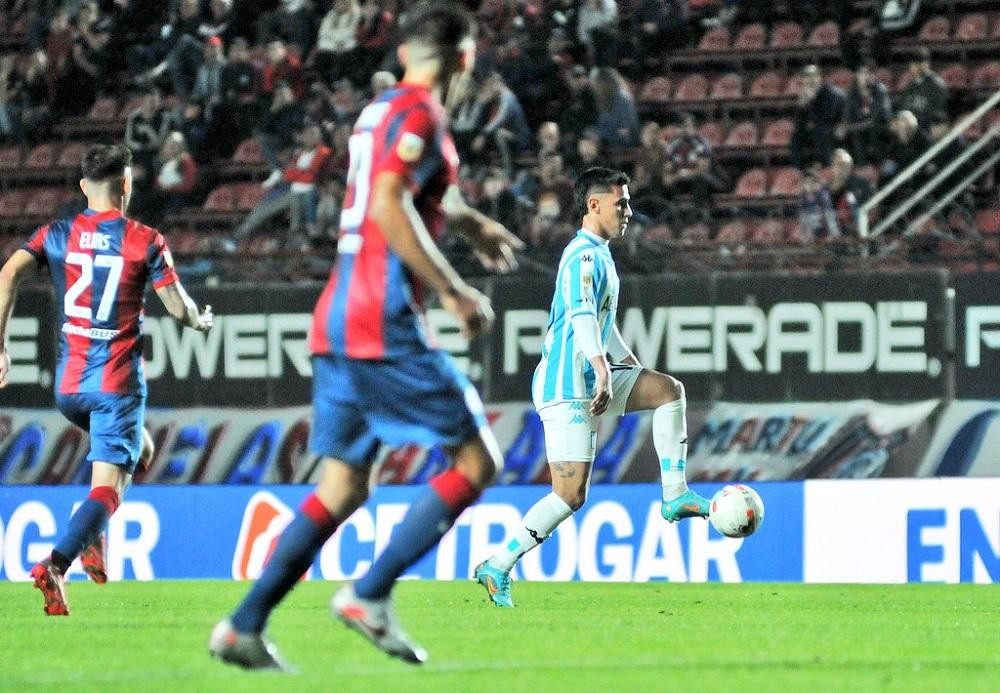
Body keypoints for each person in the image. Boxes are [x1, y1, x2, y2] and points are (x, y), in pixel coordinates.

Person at [210, 3, 524, 670]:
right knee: (477, 461)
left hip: (336, 316)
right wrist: (454, 290)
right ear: (465, 59)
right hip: (380, 321)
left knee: (343, 488)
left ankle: (242, 625)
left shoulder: (380, 110)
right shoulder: (422, 115)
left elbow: (412, 195)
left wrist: (470, 226)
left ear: (404, 53)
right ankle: (370, 593)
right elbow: (388, 203)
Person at [473, 167, 710, 608]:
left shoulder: (600, 255)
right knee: (569, 495)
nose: (629, 212)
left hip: (594, 375)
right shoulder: (582, 257)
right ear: (594, 205)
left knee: (667, 391)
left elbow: (602, 322)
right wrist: (604, 371)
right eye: (621, 204)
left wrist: (625, 364)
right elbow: (581, 315)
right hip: (568, 385)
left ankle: (675, 494)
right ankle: (497, 565)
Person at [0, 144, 212, 616]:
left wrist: (0, 345)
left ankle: (92, 536)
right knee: (110, 489)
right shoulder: (145, 239)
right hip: (115, 384)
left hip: (69, 388)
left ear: (82, 187)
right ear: (127, 185)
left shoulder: (57, 232)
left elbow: (9, 272)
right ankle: (56, 563)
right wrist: (200, 320)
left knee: (144, 449)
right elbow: (178, 309)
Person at [791, 64, 846, 170]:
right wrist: (802, 106)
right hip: (822, 126)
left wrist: (810, 102)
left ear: (819, 78)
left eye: (813, 77)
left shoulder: (831, 94)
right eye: (807, 78)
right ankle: (802, 169)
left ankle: (826, 165)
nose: (810, 81)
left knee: (821, 131)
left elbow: (825, 118)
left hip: (839, 127)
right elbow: (800, 122)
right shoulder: (807, 95)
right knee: (796, 136)